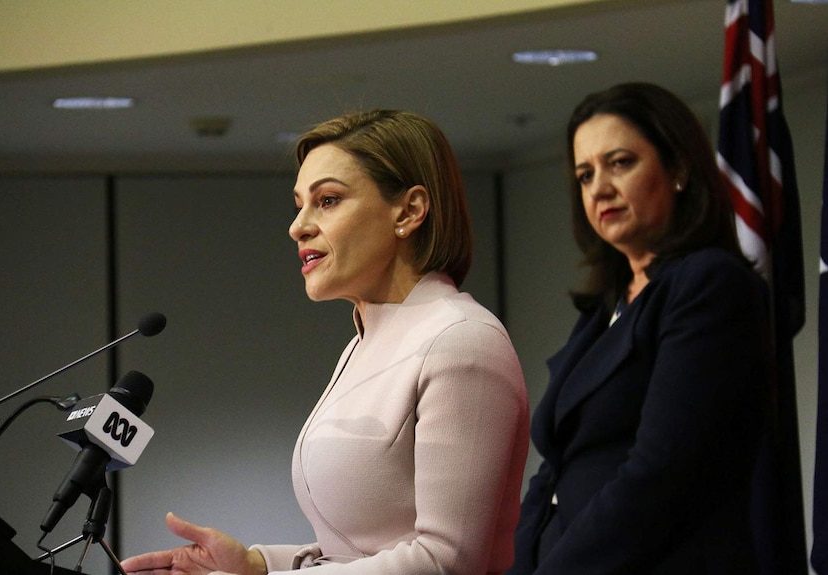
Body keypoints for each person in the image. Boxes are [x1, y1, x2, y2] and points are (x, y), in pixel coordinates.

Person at [121, 110, 530, 575]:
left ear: (410, 211)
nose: (298, 226)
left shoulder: (461, 342)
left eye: (328, 200)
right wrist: (257, 565)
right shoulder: (364, 340)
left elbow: (447, 562)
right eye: (300, 204)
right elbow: (354, 552)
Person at [509, 82, 769, 575]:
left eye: (620, 162)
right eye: (585, 175)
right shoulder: (601, 311)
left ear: (678, 169)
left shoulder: (707, 285)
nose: (599, 187)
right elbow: (554, 473)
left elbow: (663, 471)